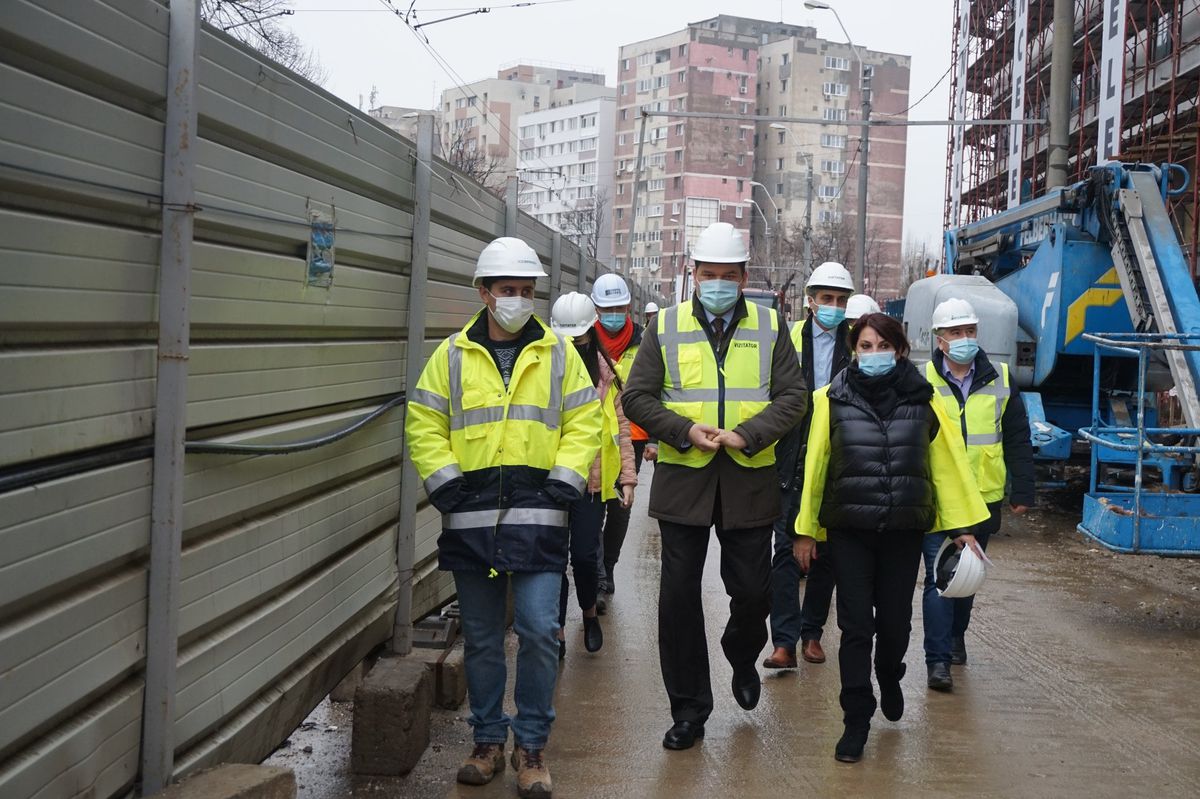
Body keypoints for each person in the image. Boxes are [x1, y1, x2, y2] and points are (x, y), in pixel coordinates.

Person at [405, 237, 601, 798]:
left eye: (526, 290)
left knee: (540, 630)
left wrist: (565, 479)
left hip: (539, 514)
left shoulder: (559, 355)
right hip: (472, 520)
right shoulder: (451, 355)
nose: (518, 299)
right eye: (507, 289)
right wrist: (446, 485)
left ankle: (532, 746)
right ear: (484, 293)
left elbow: (585, 420)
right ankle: (487, 741)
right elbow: (424, 421)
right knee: (485, 639)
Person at [623, 222, 807, 751]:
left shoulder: (772, 327)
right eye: (710, 274)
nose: (719, 283)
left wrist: (748, 434)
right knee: (678, 599)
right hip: (684, 479)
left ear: (745, 276)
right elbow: (637, 398)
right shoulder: (666, 325)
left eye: (730, 275)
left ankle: (741, 652)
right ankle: (689, 710)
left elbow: (793, 398)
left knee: (753, 592)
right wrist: (683, 430)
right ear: (694, 274)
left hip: (749, 480)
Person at [793, 312, 989, 764]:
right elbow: (816, 466)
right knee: (855, 626)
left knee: (896, 624)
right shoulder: (830, 398)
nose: (874, 354)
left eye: (883, 346)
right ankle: (855, 719)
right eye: (865, 346)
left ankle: (891, 674)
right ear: (854, 351)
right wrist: (805, 530)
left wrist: (962, 527)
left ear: (900, 349)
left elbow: (945, 464)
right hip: (849, 530)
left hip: (904, 530)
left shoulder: (925, 399)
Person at [922, 298, 1034, 690]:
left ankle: (955, 636)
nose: (965, 338)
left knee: (966, 576)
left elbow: (1018, 436)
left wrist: (1023, 487)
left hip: (982, 497)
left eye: (969, 331)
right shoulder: (922, 380)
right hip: (936, 499)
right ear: (940, 340)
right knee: (939, 577)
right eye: (955, 332)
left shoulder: (1001, 377)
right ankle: (937, 661)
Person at [764, 263, 854, 670]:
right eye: (826, 299)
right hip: (790, 458)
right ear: (811, 300)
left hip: (836, 462)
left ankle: (812, 632)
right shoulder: (786, 339)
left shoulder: (856, 347)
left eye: (840, 300)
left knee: (827, 554)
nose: (833, 307)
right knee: (784, 551)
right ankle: (783, 641)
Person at [549, 292, 637, 657]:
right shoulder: (543, 373)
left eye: (580, 339)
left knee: (585, 556)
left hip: (591, 484)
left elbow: (622, 429)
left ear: (591, 335)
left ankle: (587, 613)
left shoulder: (606, 376)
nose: (573, 347)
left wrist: (628, 478)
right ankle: (555, 631)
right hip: (550, 482)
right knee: (552, 559)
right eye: (566, 339)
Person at [590, 273, 651, 598]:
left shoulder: (644, 341)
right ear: (596, 309)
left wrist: (653, 437)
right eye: (606, 308)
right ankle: (598, 575)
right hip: (596, 434)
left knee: (620, 506)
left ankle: (607, 567)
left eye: (619, 307)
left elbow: (657, 388)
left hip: (633, 435)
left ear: (628, 306)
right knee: (595, 503)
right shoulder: (584, 340)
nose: (613, 314)